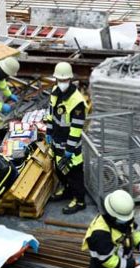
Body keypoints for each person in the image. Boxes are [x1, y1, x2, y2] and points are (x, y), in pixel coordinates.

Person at [46, 62, 88, 215]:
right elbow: (51, 114)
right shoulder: (55, 92)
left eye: (64, 80)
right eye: (59, 80)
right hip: (57, 142)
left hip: (70, 147)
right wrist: (49, 132)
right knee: (60, 170)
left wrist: (69, 150)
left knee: (74, 173)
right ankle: (67, 191)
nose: (61, 83)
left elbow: (76, 129)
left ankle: (80, 201)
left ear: (70, 79)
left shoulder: (77, 101)